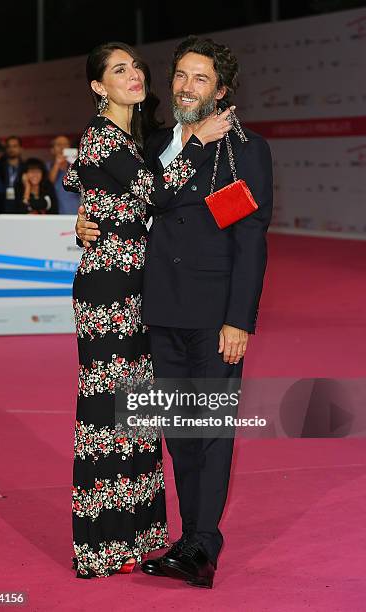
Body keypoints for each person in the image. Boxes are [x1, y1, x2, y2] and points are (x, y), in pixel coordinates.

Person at [76, 36, 273, 589]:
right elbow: (127, 198)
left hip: (213, 315)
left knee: (210, 430)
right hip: (155, 311)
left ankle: (204, 545)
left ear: (222, 90)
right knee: (180, 431)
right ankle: (188, 539)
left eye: (200, 78)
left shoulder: (243, 149)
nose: (186, 87)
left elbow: (249, 240)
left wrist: (240, 318)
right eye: (180, 76)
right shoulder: (151, 140)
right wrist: (88, 224)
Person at [47, 135, 81, 214]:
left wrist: (76, 163)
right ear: (52, 150)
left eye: (66, 144)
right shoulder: (48, 166)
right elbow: (48, 184)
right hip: (55, 212)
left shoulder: (75, 165)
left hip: (74, 212)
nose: (62, 147)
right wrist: (57, 164)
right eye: (59, 145)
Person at [0, 136, 25, 213]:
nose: (11, 149)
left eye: (15, 146)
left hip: (21, 207)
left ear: (21, 149)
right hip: (1, 206)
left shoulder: (26, 167)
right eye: (8, 146)